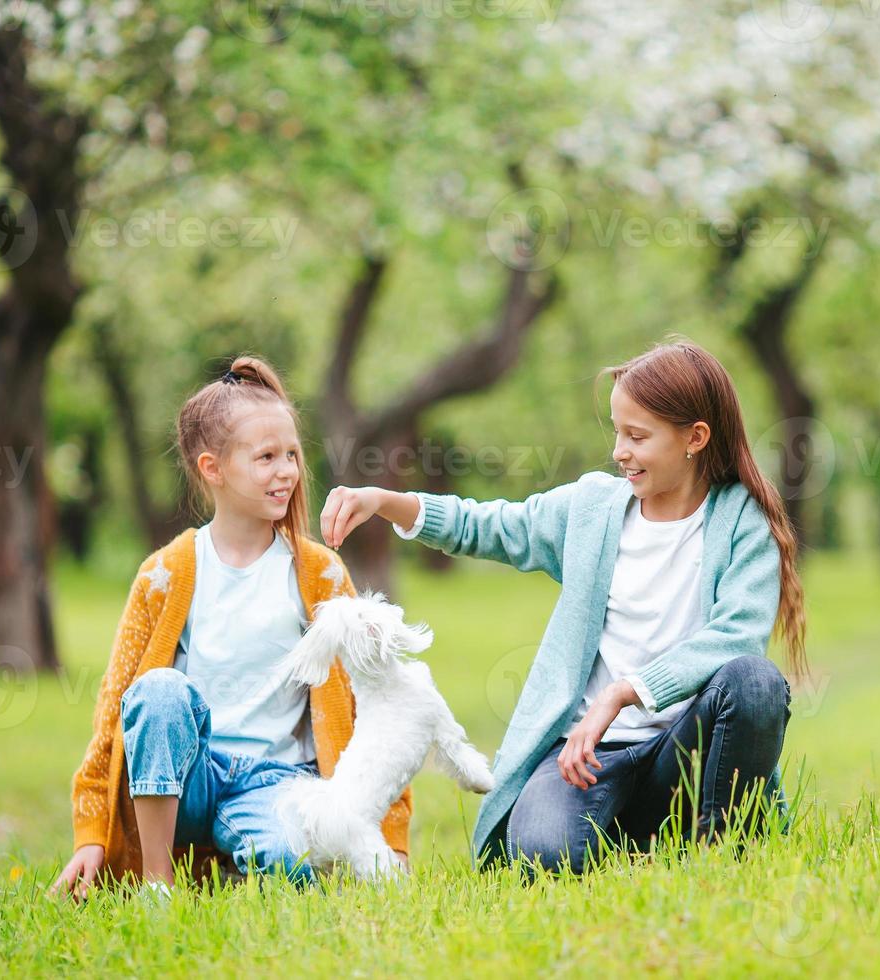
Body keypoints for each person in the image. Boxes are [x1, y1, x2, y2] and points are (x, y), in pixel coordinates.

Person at [321, 339, 806, 874]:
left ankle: (721, 851)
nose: (620, 450)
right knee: (541, 855)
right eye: (618, 432)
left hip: (682, 751)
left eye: (638, 436)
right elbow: (490, 525)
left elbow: (735, 637)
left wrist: (625, 692)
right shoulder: (592, 509)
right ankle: (630, 838)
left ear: (695, 438)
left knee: (755, 682)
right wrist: (385, 502)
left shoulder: (743, 521)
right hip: (587, 755)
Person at [51, 355, 411, 897]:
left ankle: (238, 858)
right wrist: (90, 835)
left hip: (277, 782)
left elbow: (375, 704)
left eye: (291, 454)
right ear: (212, 469)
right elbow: (114, 709)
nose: (287, 470)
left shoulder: (318, 574)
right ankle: (158, 884)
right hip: (189, 777)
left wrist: (393, 841)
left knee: (290, 874)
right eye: (266, 457)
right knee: (157, 691)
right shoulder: (164, 574)